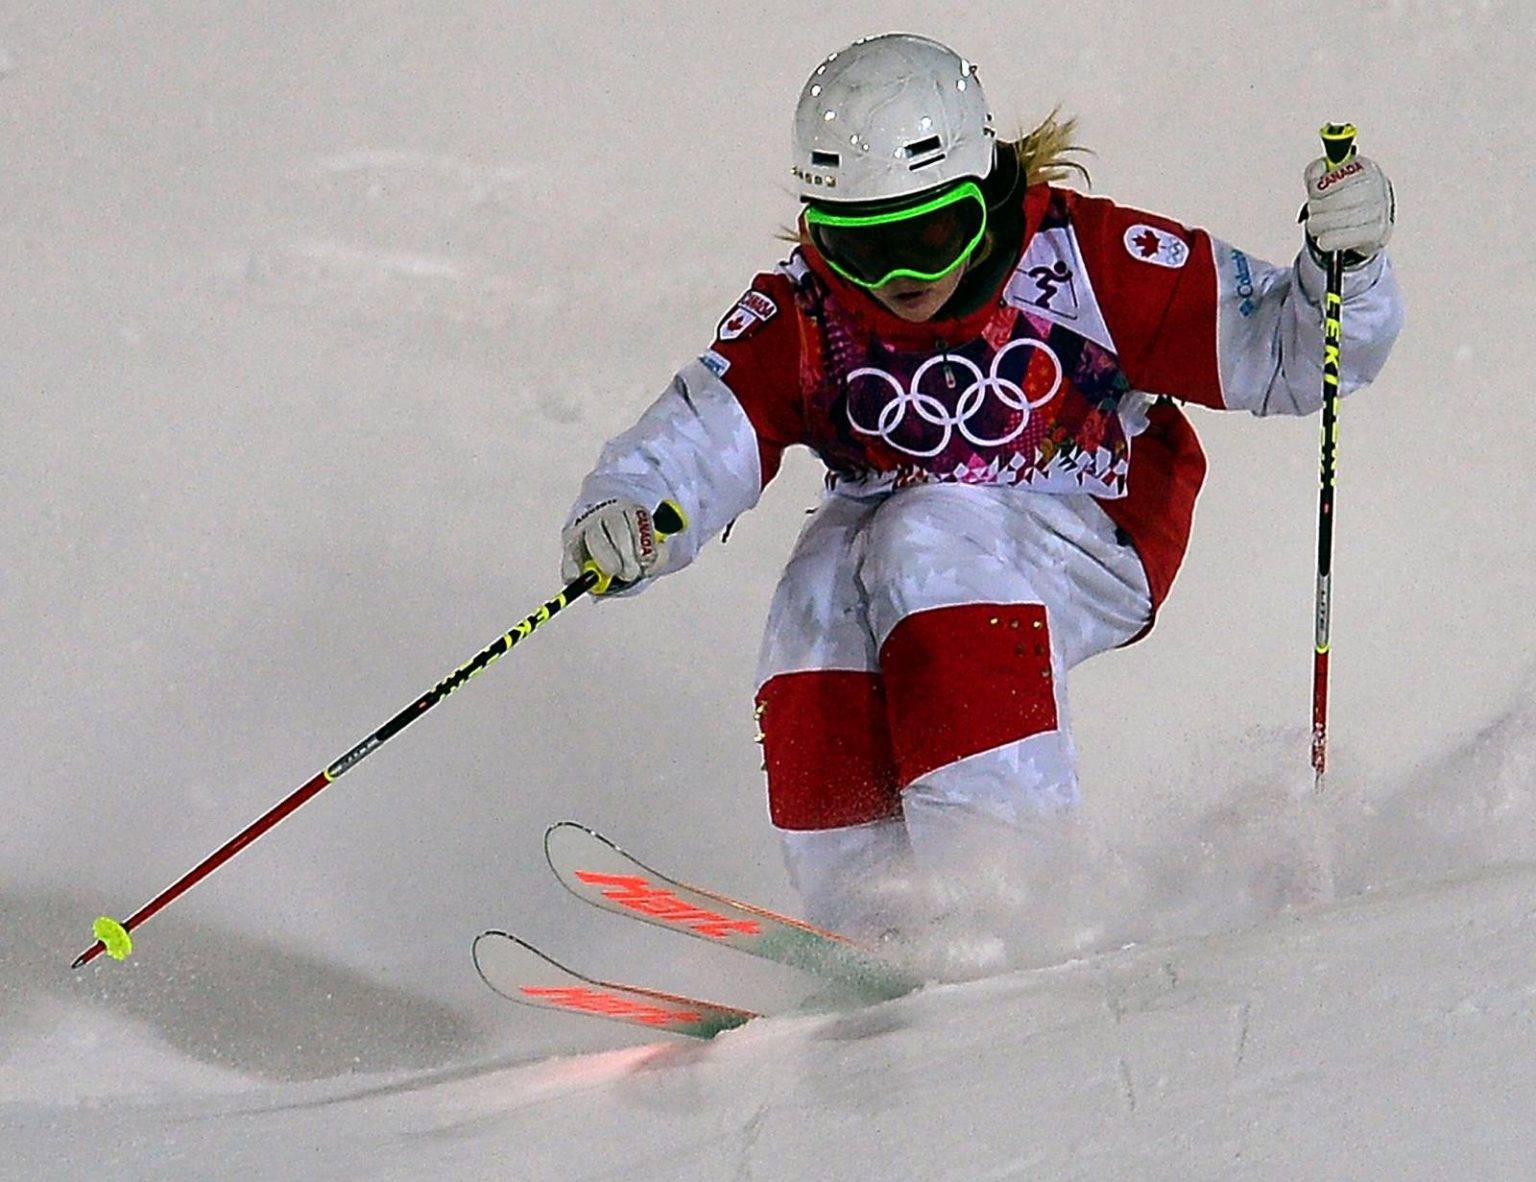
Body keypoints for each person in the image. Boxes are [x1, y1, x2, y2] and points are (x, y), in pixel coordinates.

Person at [560, 33, 1402, 940]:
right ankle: (867, 914)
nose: (896, 281)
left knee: (925, 534)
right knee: (817, 587)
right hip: (898, 526)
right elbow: (702, 433)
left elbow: (1288, 351)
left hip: (1088, 517)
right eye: (858, 247)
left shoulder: (1084, 259)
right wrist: (633, 513)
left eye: (930, 238)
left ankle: (1009, 884)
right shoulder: (807, 310)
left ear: (983, 197)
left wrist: (1344, 270)